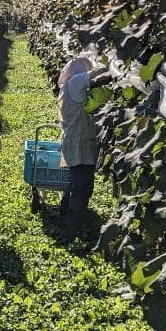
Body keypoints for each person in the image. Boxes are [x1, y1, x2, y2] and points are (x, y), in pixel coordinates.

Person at [57, 56, 103, 240]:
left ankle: (64, 217)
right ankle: (73, 228)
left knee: (75, 181)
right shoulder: (76, 82)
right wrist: (113, 68)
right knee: (82, 186)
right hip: (80, 142)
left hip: (75, 140)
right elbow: (92, 76)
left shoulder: (68, 86)